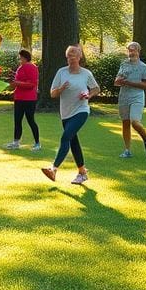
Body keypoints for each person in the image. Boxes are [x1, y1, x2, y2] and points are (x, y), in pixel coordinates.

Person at [41, 44, 99, 185]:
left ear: (79, 57)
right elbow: (52, 93)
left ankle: (53, 168)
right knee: (73, 142)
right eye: (68, 55)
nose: (70, 57)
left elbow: (96, 89)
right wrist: (61, 88)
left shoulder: (86, 73)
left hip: (81, 110)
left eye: (73, 54)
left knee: (66, 136)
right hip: (66, 113)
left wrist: (88, 95)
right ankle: (82, 173)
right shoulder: (61, 72)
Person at [115, 41, 146, 158]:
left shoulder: (143, 67)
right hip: (124, 97)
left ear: (138, 51)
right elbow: (116, 82)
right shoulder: (124, 64)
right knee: (125, 123)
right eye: (130, 50)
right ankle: (127, 150)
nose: (131, 52)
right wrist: (120, 81)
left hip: (137, 96)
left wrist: (130, 83)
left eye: (134, 50)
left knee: (135, 122)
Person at [5, 49, 40, 151]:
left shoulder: (31, 67)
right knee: (17, 120)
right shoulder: (21, 68)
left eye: (20, 57)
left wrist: (17, 83)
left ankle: (37, 143)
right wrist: (13, 83)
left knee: (30, 120)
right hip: (19, 97)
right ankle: (16, 142)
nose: (19, 59)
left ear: (25, 57)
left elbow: (32, 84)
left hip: (29, 98)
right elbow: (18, 82)